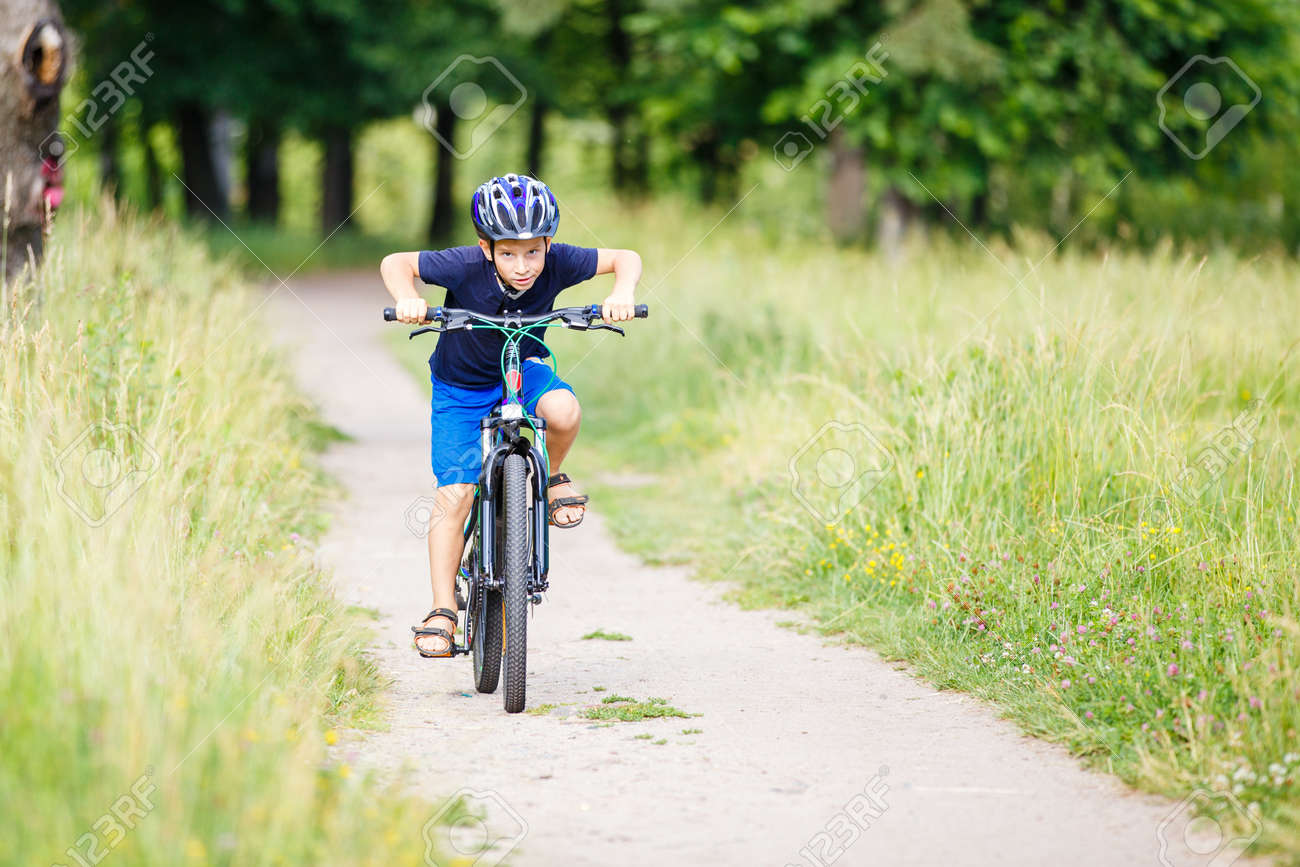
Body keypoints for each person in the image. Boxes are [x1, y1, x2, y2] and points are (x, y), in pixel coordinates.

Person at [379, 173, 642, 657]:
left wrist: (621, 292)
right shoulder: (460, 265)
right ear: (485, 247)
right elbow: (396, 262)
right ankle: (443, 609)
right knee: (456, 493)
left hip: (523, 370)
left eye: (533, 252)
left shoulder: (561, 260)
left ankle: (554, 474)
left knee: (562, 409)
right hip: (462, 388)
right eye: (507, 253)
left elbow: (625, 258)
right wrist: (407, 298)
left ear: (548, 244)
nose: (522, 266)